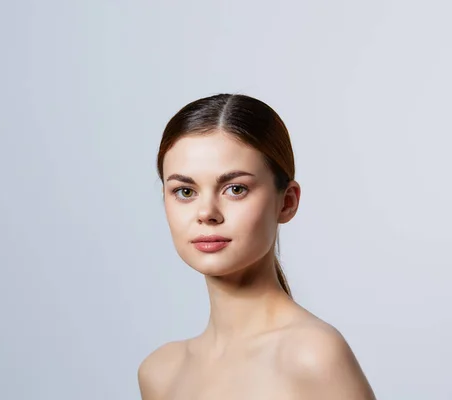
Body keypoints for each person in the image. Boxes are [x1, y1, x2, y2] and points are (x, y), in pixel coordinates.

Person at [138, 93, 376, 399]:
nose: (206, 212)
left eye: (235, 189)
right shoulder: (160, 373)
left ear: (287, 202)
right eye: (185, 191)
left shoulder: (313, 356)